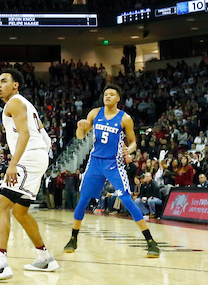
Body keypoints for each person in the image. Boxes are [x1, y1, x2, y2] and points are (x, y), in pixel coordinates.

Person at [0, 70, 58, 282]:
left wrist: (14, 164)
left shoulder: (14, 103)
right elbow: (45, 139)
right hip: (36, 158)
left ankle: (0, 264)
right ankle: (45, 257)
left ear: (16, 85)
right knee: (20, 212)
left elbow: (26, 134)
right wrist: (40, 159)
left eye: (4, 81)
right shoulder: (26, 105)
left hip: (28, 160)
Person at [65, 86, 161, 258]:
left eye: (111, 95)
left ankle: (150, 242)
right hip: (94, 162)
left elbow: (133, 142)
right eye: (105, 94)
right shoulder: (94, 113)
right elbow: (81, 136)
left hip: (113, 163)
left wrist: (129, 150)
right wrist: (81, 127)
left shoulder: (125, 118)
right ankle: (73, 238)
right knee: (83, 199)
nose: (107, 97)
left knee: (126, 199)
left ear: (118, 99)